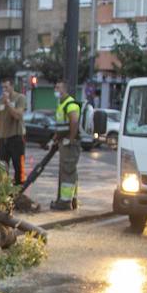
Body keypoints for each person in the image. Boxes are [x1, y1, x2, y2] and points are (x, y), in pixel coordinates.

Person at [50, 81, 81, 211]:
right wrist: (54, 139)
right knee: (68, 170)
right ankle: (71, 199)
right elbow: (62, 126)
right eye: (55, 87)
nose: (55, 89)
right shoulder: (61, 104)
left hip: (70, 144)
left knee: (67, 171)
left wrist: (70, 139)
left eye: (58, 87)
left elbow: (74, 121)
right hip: (64, 143)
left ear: (64, 89)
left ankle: (64, 202)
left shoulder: (70, 104)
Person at [0, 79, 27, 185]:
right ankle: (4, 189)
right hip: (3, 138)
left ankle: (20, 188)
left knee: (18, 166)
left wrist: (8, 103)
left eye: (6, 87)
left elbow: (18, 115)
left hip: (16, 137)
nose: (4, 90)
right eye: (2, 87)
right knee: (1, 167)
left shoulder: (20, 98)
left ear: (12, 86)